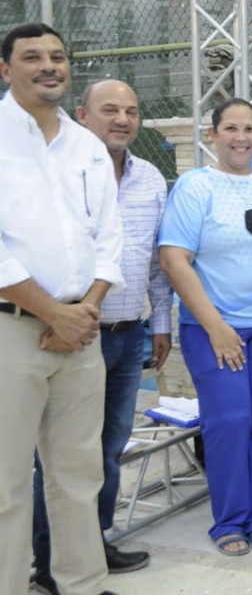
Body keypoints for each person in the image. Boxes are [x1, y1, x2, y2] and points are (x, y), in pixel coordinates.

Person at [29, 80, 172, 592]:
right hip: (70, 334)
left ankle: (92, 546)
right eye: (110, 110)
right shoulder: (59, 174)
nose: (122, 119)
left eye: (132, 111)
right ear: (82, 115)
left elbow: (157, 264)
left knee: (107, 449)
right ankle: (48, 563)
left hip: (130, 334)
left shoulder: (151, 178)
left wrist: (160, 326)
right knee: (61, 455)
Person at [0, 23, 123, 595]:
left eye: (57, 55)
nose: (49, 65)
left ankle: (81, 583)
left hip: (81, 331)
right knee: (5, 484)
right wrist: (52, 312)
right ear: (6, 69)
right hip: (15, 331)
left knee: (78, 472)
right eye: (32, 57)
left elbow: (109, 239)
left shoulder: (87, 146)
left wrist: (82, 311)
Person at [159, 98, 252, 556]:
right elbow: (173, 258)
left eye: (250, 129)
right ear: (213, 135)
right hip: (212, 327)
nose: (241, 137)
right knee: (229, 420)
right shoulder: (194, 186)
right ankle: (228, 519)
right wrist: (216, 327)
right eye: (231, 128)